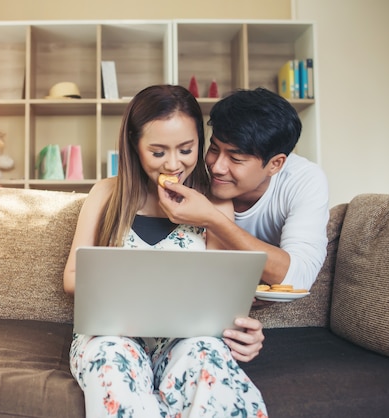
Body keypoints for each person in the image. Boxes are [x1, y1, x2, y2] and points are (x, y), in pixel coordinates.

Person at [63, 85, 268, 418]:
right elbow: (72, 277)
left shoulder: (215, 203)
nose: (174, 164)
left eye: (186, 149)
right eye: (158, 152)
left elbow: (218, 292)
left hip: (185, 338)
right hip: (112, 334)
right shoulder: (106, 193)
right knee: (111, 361)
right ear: (135, 146)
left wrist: (244, 326)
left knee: (208, 359)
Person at [159, 87, 329, 290]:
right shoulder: (186, 171)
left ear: (275, 164)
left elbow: (298, 277)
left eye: (236, 158)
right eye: (213, 149)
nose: (216, 167)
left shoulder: (303, 180)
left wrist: (212, 219)